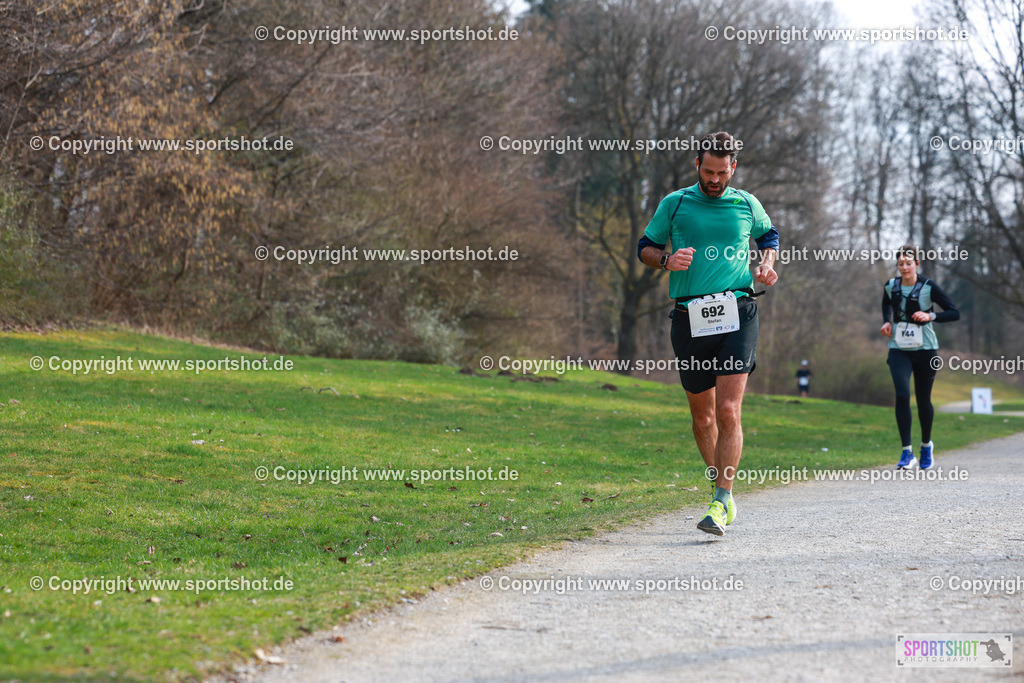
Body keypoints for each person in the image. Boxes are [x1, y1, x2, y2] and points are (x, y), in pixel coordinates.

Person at [637, 131, 779, 537]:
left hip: (738, 309)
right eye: (709, 171)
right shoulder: (676, 203)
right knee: (702, 418)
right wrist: (666, 259)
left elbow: (769, 235)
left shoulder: (747, 202)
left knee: (729, 410)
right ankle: (724, 489)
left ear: (733, 167)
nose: (715, 179)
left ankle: (719, 500)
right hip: (689, 316)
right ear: (697, 165)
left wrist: (767, 263)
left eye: (723, 172)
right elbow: (644, 246)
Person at [880, 245, 959, 470]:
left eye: (908, 263)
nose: (904, 267)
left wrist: (930, 315)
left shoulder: (928, 287)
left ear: (917, 264)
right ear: (897, 266)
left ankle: (926, 446)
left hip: (926, 350)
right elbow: (886, 303)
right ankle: (907, 452)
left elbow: (954, 312)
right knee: (903, 395)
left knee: (924, 400)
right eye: (900, 264)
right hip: (899, 349)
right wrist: (886, 321)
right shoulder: (891, 286)